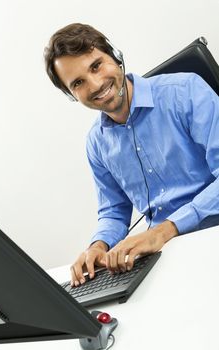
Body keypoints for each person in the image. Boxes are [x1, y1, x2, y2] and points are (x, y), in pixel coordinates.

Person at [44, 23, 219, 287]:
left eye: (96, 66)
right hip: (164, 255)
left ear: (116, 56)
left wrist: (165, 229)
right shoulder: (96, 142)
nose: (95, 84)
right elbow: (114, 210)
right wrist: (98, 246)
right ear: (71, 95)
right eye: (78, 83)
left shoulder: (186, 92)